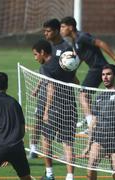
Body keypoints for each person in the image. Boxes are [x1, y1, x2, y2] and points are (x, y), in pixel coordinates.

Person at [60, 16, 115, 134]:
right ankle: (90, 120)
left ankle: (91, 125)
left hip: (99, 67)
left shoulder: (82, 37)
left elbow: (100, 43)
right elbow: (79, 59)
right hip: (95, 68)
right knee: (86, 95)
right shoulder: (75, 41)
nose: (61, 29)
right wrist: (72, 74)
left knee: (83, 95)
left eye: (63, 26)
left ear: (70, 27)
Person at [29, 18, 79, 159]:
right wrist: (38, 87)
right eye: (44, 31)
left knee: (60, 123)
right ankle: (33, 148)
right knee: (38, 118)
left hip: (59, 94)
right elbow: (45, 70)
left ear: (56, 31)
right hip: (45, 90)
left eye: (48, 31)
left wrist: (76, 85)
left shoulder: (66, 48)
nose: (45, 33)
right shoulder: (46, 46)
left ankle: (65, 153)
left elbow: (70, 71)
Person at [32, 39, 77, 180]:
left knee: (46, 140)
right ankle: (70, 177)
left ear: (42, 53)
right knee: (68, 144)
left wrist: (46, 111)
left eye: (35, 54)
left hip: (54, 109)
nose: (35, 58)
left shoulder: (46, 67)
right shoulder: (64, 62)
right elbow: (76, 81)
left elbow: (51, 88)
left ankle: (50, 174)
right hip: (70, 106)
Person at [87, 64, 115, 180]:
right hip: (99, 139)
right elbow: (94, 122)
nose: (105, 77)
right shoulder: (99, 97)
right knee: (90, 169)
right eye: (103, 75)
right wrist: (88, 144)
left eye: (108, 74)